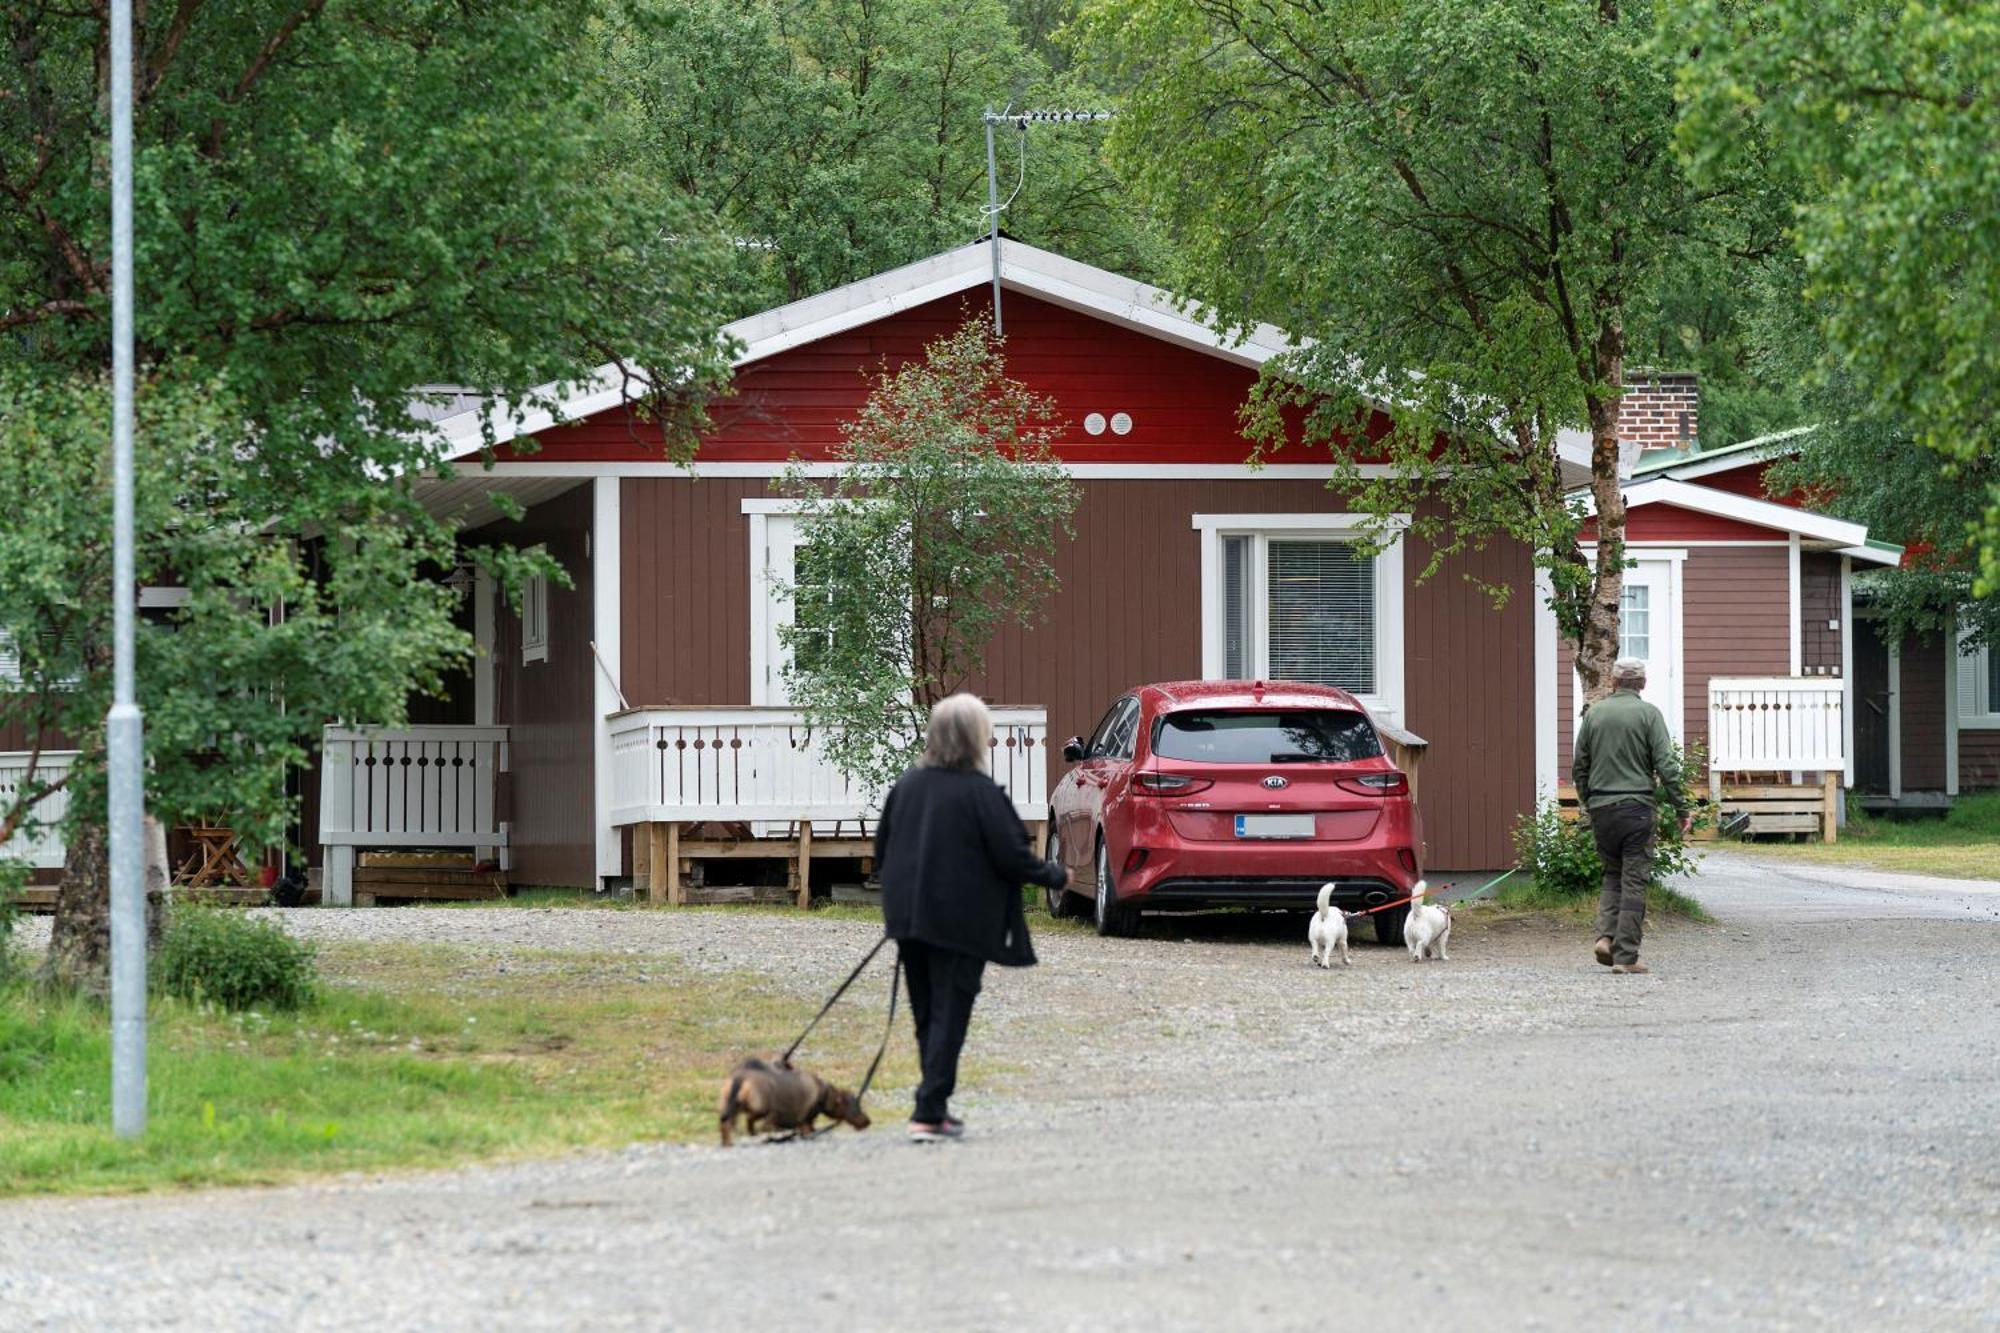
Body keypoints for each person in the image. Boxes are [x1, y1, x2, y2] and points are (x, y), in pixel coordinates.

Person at [874, 692, 1067, 1141]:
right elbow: (1012, 858)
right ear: (975, 739)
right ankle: (928, 1109)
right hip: (960, 923)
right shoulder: (980, 794)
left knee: (926, 1012)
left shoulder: (907, 786)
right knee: (950, 1012)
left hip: (910, 918)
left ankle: (933, 1103)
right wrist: (1054, 874)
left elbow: (883, 850)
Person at [1571, 656, 1691, 975]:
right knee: (1634, 881)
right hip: (1636, 809)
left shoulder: (1594, 714)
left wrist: (1590, 801)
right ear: (1642, 684)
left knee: (1612, 875)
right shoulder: (1649, 715)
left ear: (1612, 682)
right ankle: (1626, 956)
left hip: (1602, 809)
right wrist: (1682, 808)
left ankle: (1605, 936)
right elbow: (1666, 766)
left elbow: (1579, 767)